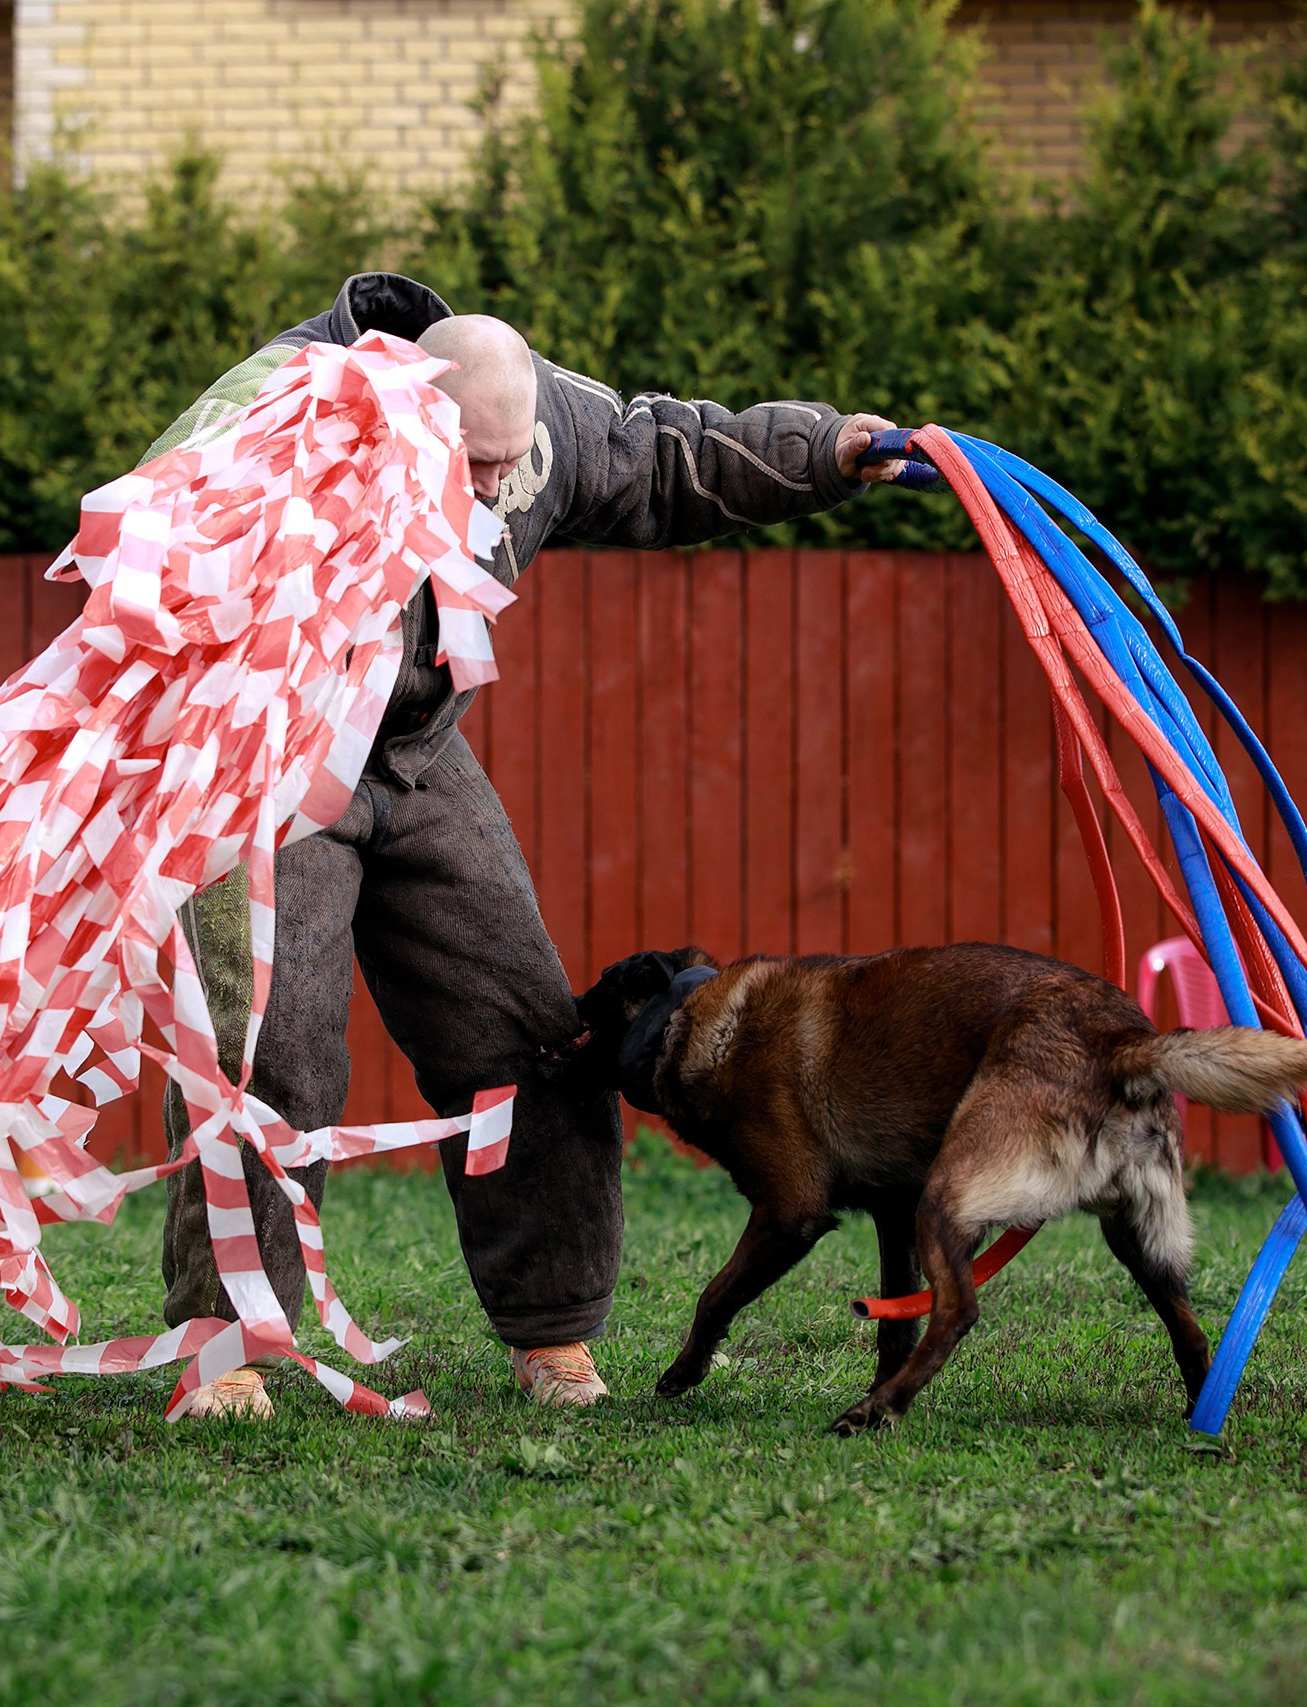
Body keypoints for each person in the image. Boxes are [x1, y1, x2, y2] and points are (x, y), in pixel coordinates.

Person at [151, 273, 913, 1419]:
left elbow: (666, 454)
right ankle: (230, 1353)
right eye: (475, 465)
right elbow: (138, 560)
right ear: (400, 408)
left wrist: (826, 448)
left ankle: (552, 1333)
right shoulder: (275, 423)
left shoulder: (533, 423)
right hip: (269, 758)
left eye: (514, 462)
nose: (499, 487)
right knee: (268, 1050)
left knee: (526, 1025)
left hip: (414, 747)